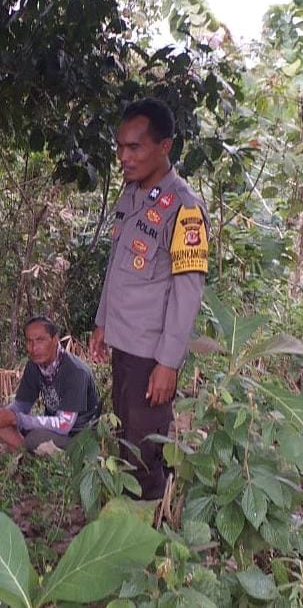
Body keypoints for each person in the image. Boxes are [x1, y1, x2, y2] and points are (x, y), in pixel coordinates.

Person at [89, 97, 209, 500]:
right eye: (120, 147)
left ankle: (150, 526)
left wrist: (168, 364)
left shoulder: (185, 208)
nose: (123, 157)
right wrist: (102, 321)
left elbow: (187, 292)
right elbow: (117, 265)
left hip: (151, 354)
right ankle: (129, 518)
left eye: (134, 147)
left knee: (144, 452)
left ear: (164, 146)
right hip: (124, 344)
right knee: (126, 436)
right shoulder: (132, 195)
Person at [0, 316, 101, 453]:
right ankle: (26, 452)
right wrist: (3, 414)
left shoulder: (76, 371)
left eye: (40, 340)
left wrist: (17, 419)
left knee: (35, 438)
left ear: (55, 339)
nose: (34, 348)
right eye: (29, 341)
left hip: (77, 438)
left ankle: (26, 454)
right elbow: (21, 406)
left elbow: (64, 425)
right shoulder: (34, 366)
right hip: (52, 431)